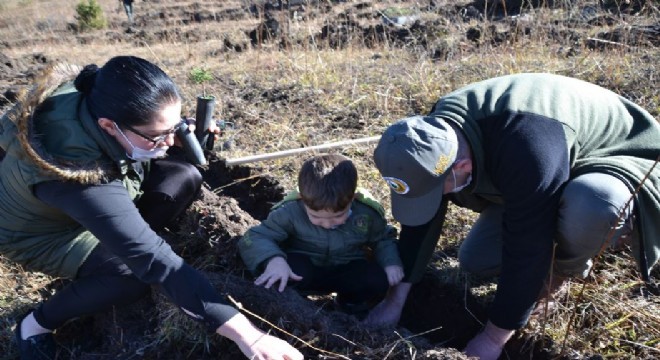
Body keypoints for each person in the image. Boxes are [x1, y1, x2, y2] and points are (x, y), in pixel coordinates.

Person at [0, 56, 303, 360]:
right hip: (44, 234)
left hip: (94, 194)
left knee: (183, 176)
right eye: (160, 136)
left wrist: (178, 129)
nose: (171, 142)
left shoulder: (102, 95)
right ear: (109, 126)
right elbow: (157, 262)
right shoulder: (71, 172)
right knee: (132, 274)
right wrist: (250, 336)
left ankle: (123, 239)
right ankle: (36, 324)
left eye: (175, 127)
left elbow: (150, 137)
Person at [365, 73, 660, 360]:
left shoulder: (528, 146)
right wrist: (395, 301)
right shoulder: (430, 139)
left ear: (463, 166)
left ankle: (560, 275)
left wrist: (493, 338)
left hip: (620, 154)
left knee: (593, 205)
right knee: (477, 260)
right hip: (540, 170)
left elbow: (528, 246)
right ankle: (542, 201)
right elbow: (423, 221)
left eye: (436, 188)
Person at [238, 154, 404, 315]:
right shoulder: (290, 212)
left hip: (345, 268)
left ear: (352, 198)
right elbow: (257, 236)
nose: (327, 223)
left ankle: (349, 306)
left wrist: (391, 263)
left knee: (375, 279)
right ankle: (295, 303)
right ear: (303, 199)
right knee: (285, 273)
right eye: (316, 217)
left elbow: (382, 238)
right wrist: (274, 260)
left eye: (338, 216)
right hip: (305, 269)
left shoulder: (366, 214)